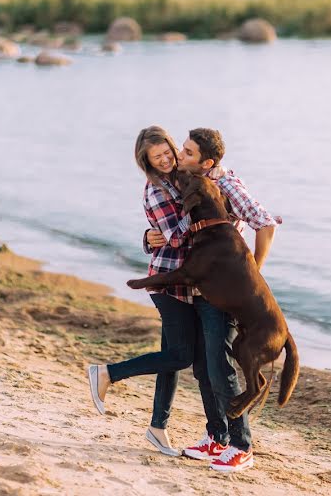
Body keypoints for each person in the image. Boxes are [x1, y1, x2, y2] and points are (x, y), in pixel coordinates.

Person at [146, 128, 280, 473]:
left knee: (221, 368)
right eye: (182, 149)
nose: (178, 157)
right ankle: (216, 437)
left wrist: (253, 271)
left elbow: (265, 224)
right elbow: (171, 223)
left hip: (225, 292)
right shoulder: (191, 181)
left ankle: (241, 446)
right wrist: (148, 237)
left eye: (187, 153)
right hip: (200, 289)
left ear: (206, 161)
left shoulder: (227, 185)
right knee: (204, 368)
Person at [86, 126, 196, 457]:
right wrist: (199, 212)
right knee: (181, 356)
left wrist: (152, 235)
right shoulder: (156, 191)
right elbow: (175, 238)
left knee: (171, 359)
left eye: (168, 152)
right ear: (146, 162)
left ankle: (157, 429)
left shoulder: (183, 177)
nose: (166, 160)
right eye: (157, 157)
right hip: (167, 282)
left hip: (183, 281)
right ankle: (107, 373)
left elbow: (168, 234)